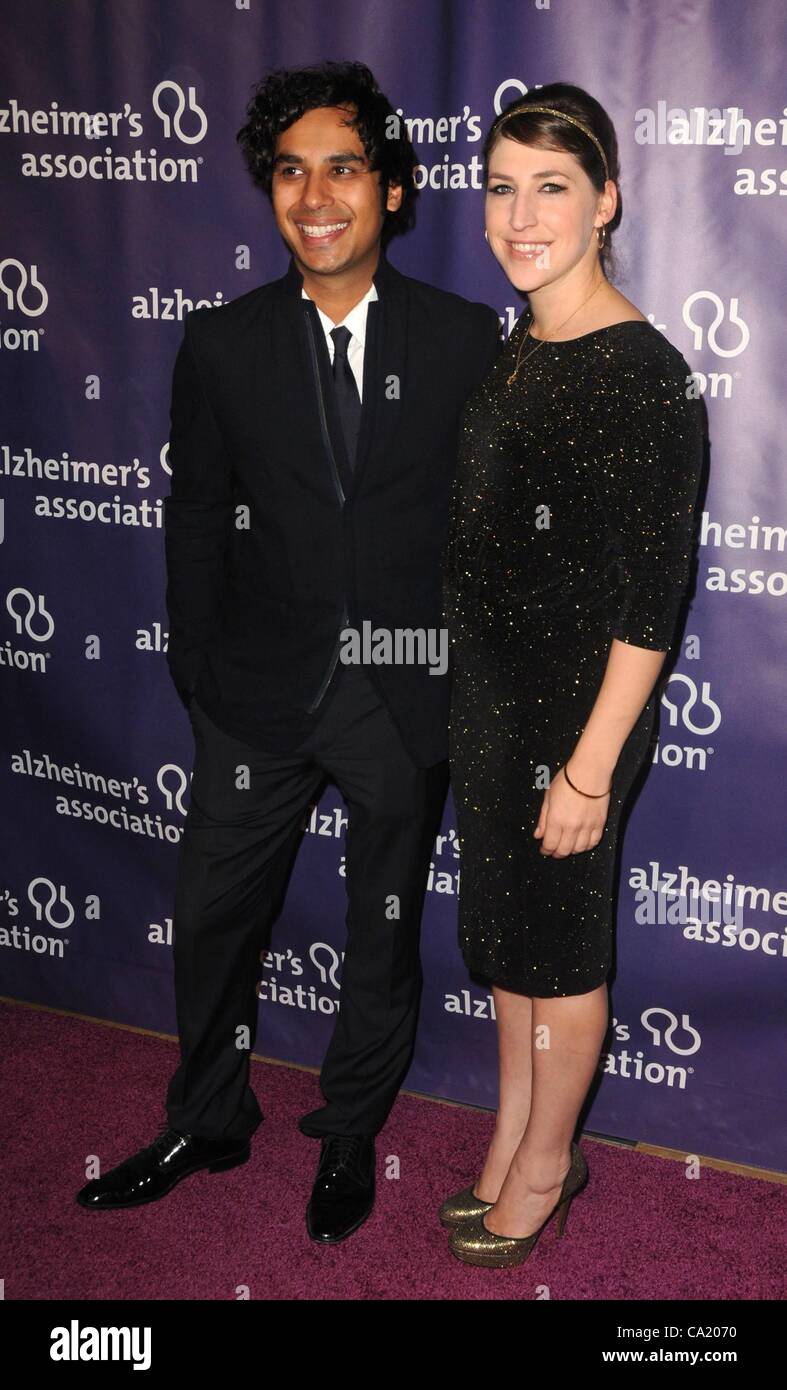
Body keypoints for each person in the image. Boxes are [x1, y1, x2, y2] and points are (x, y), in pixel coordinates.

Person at [75, 60, 501, 1242]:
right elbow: (196, 515)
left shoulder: (466, 340)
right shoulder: (219, 345)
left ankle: (350, 1128)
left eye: (344, 168)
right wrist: (201, 673)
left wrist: (449, 669)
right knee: (214, 916)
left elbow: (487, 531)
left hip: (400, 695)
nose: (316, 195)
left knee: (381, 929)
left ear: (394, 191)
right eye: (291, 171)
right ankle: (208, 1115)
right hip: (256, 692)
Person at [439, 83, 705, 1266]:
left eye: (549, 187)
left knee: (556, 951)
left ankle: (548, 1163)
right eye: (500, 187)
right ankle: (511, 1133)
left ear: (605, 201)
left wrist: (589, 770)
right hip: (491, 703)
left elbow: (653, 605)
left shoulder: (641, 372)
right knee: (506, 949)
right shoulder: (520, 346)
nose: (518, 214)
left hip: (576, 718)